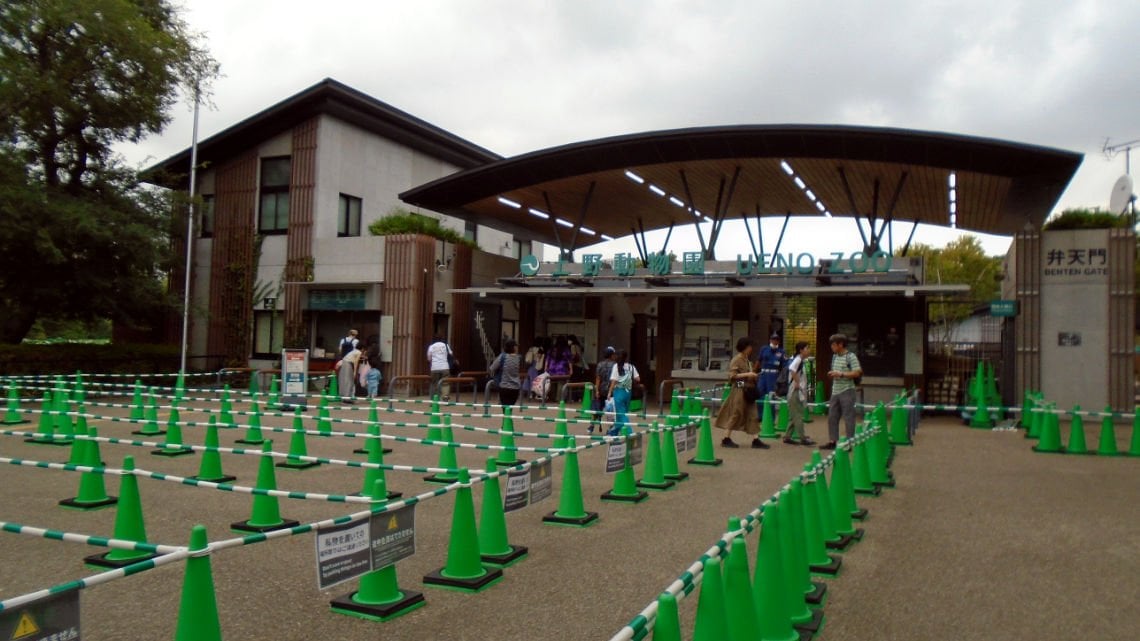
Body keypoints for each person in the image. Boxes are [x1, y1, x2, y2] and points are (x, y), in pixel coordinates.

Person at [715, 337, 767, 448]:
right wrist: (748, 375)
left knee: (753, 414)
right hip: (739, 390)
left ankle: (756, 439)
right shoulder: (737, 359)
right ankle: (726, 438)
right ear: (744, 347)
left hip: (748, 390)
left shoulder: (747, 360)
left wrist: (753, 376)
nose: (751, 348)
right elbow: (732, 376)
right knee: (736, 413)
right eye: (749, 346)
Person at [821, 333, 862, 450]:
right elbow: (836, 371)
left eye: (834, 344)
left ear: (841, 344)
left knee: (848, 417)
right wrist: (832, 374)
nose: (832, 347)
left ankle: (850, 442)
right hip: (835, 390)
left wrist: (841, 374)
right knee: (832, 417)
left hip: (847, 390)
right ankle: (832, 441)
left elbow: (857, 372)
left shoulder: (850, 356)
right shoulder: (834, 356)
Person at [782, 341, 815, 445]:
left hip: (796, 390)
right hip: (794, 391)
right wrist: (797, 382)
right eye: (807, 348)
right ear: (801, 350)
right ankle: (803, 438)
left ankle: (787, 437)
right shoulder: (798, 359)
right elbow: (792, 369)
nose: (808, 350)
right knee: (798, 415)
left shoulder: (800, 360)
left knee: (793, 415)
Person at [606, 349, 640, 436]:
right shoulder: (631, 367)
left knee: (621, 414)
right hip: (628, 392)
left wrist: (609, 392)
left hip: (619, 392)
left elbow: (614, 380)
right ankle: (614, 432)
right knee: (621, 413)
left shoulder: (616, 366)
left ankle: (629, 433)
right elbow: (638, 379)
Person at [487, 339, 522, 407]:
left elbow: (492, 368)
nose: (517, 348)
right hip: (516, 387)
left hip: (504, 386)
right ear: (513, 347)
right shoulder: (518, 358)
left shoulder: (502, 357)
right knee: (510, 408)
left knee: (505, 408)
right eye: (516, 346)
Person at [590, 346, 616, 434]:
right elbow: (614, 380)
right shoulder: (615, 365)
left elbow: (598, 378)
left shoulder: (600, 364)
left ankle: (591, 426)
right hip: (610, 390)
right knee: (610, 409)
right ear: (611, 355)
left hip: (601, 389)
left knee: (597, 407)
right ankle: (610, 428)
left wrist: (597, 390)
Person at [755, 333, 786, 399]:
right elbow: (758, 360)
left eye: (777, 340)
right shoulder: (764, 349)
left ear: (779, 341)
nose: (775, 341)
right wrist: (754, 371)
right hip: (763, 373)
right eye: (773, 339)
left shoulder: (781, 351)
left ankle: (772, 406)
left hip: (774, 374)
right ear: (770, 340)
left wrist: (782, 377)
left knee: (771, 393)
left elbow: (784, 365)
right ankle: (760, 406)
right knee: (760, 391)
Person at [426, 335, 452, 400]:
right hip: (445, 367)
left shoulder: (431, 346)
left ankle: (434, 399)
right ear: (441, 339)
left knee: (434, 384)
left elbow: (429, 359)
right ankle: (445, 396)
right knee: (445, 383)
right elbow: (451, 354)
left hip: (434, 368)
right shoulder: (446, 345)